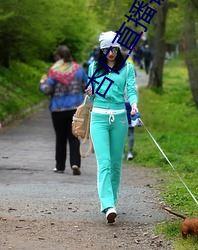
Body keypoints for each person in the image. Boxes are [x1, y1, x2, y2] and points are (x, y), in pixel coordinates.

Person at [85, 31, 138, 223]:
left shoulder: (127, 68)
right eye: (107, 50)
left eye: (114, 49)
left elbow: (131, 90)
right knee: (104, 163)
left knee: (116, 164)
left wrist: (133, 104)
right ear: (102, 50)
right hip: (98, 118)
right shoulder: (94, 68)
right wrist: (90, 92)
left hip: (120, 119)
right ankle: (107, 205)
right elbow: (90, 98)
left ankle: (112, 201)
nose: (111, 53)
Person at [39, 45, 88, 175]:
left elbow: (47, 90)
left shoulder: (54, 71)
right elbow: (87, 86)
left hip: (58, 109)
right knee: (74, 137)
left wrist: (42, 83)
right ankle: (75, 163)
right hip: (75, 109)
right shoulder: (79, 69)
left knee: (60, 138)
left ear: (58, 57)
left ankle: (60, 166)